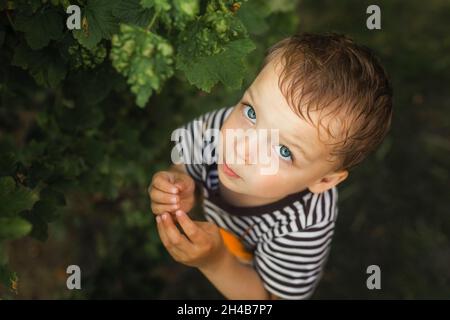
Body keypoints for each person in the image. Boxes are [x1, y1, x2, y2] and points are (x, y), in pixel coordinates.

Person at [148, 33, 393, 299]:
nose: (241, 149)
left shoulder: (303, 227)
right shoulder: (217, 128)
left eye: (284, 150)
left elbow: (269, 299)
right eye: (251, 113)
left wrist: (215, 262)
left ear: (323, 181)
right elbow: (183, 163)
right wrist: (177, 183)